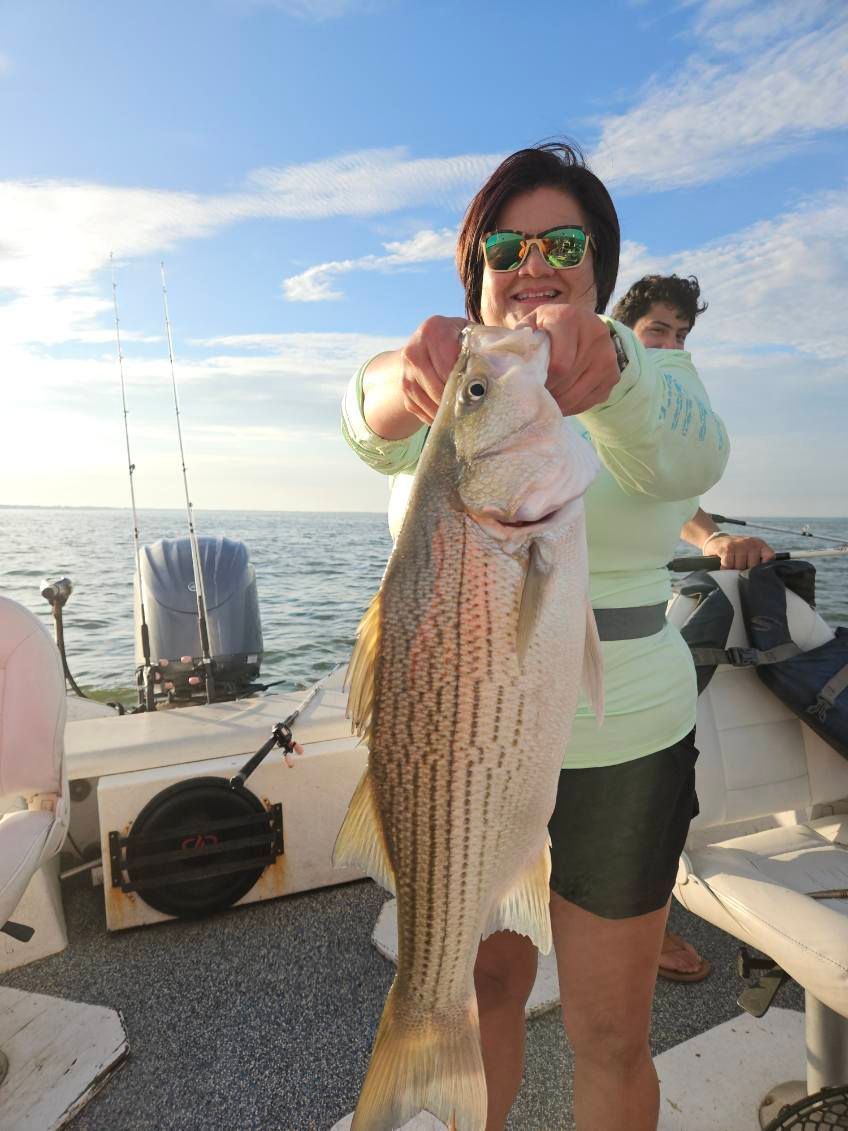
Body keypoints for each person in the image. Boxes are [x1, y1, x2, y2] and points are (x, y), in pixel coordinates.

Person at [341, 142, 729, 1131]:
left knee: (607, 1037)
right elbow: (362, 419)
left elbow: (695, 452)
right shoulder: (454, 390)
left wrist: (624, 368)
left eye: (561, 241)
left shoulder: (645, 369)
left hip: (625, 743)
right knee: (479, 997)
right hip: (460, 752)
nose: (532, 261)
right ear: (474, 276)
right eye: (504, 247)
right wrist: (403, 372)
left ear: (597, 264)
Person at [612, 273, 775, 982]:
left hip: (641, 646)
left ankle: (649, 928)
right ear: (623, 331)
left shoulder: (666, 415)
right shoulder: (586, 387)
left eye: (682, 335)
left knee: (659, 791)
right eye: (658, 330)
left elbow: (670, 486)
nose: (673, 345)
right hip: (564, 636)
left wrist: (711, 539)